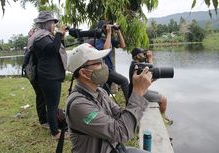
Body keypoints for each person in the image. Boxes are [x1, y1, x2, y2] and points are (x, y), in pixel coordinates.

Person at [66, 43, 151, 153]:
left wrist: (142, 88)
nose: (104, 66)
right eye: (99, 63)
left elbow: (120, 115)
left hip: (115, 149)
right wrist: (137, 92)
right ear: (84, 73)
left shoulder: (100, 91)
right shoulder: (78, 105)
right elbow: (122, 133)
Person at [26, 11, 68, 139]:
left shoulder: (47, 35)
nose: (54, 25)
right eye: (52, 22)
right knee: (52, 105)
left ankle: (54, 126)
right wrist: (59, 34)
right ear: (46, 23)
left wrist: (60, 36)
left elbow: (58, 48)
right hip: (48, 76)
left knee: (53, 103)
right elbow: (52, 50)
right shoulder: (40, 37)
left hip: (52, 74)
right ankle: (55, 132)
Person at [128, 48, 173, 126]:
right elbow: (153, 75)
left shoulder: (135, 64)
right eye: (143, 54)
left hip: (137, 90)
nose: (145, 55)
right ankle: (162, 119)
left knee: (158, 94)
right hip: (139, 93)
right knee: (164, 100)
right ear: (137, 56)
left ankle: (163, 116)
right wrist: (150, 58)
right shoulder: (138, 66)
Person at [89, 20, 129, 102]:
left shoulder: (107, 39)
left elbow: (122, 45)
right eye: (106, 26)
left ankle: (101, 106)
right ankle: (131, 105)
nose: (109, 28)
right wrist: (109, 33)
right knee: (124, 81)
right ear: (102, 29)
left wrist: (118, 32)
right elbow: (105, 50)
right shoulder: (97, 40)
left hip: (108, 68)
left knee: (105, 92)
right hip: (103, 69)